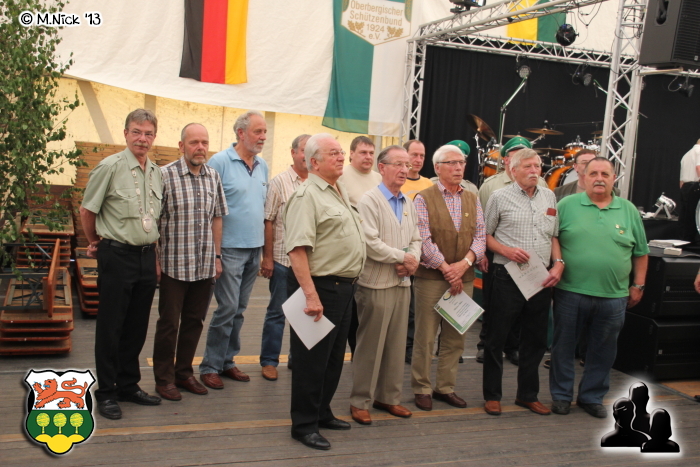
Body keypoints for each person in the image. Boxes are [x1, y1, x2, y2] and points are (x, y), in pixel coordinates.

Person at [283, 133, 365, 451]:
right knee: (311, 361)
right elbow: (297, 251)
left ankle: (321, 412)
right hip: (320, 288)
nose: (341, 156)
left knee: (332, 359)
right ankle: (304, 425)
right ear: (314, 162)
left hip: (343, 288)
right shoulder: (307, 196)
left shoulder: (337, 190)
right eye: (333, 153)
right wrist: (311, 296)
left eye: (341, 151)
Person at [549, 157, 649, 419]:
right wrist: (558, 262)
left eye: (605, 174)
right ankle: (561, 396)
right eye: (593, 173)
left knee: (603, 351)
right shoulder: (566, 205)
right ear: (583, 177)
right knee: (563, 347)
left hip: (614, 296)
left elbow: (640, 252)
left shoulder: (628, 210)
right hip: (570, 291)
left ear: (614, 178)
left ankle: (591, 397)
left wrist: (638, 284)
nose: (599, 178)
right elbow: (552, 237)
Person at [80, 109, 163, 419]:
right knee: (110, 327)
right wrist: (95, 242)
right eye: (137, 132)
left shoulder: (156, 172)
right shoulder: (109, 167)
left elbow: (153, 219)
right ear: (126, 133)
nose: (142, 138)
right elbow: (87, 210)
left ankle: (128, 385)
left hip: (145, 257)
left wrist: (155, 258)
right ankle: (106, 392)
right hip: (116, 256)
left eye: (148, 133)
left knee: (136, 327)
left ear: (154, 137)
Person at [483, 148, 563, 417]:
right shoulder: (499, 197)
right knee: (497, 337)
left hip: (540, 277)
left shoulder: (549, 196)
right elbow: (485, 236)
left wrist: (559, 263)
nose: (534, 171)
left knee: (536, 339)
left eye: (537, 166)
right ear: (513, 170)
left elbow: (553, 235)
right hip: (507, 275)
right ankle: (492, 395)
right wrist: (505, 250)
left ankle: (527, 395)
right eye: (527, 166)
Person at [152, 123, 227, 402]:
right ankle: (164, 379)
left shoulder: (213, 176)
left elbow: (217, 217)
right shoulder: (164, 175)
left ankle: (183, 373)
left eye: (204, 142)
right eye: (194, 142)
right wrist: (156, 259)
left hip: (203, 264)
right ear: (181, 146)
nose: (200, 148)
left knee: (194, 322)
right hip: (173, 265)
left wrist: (217, 256)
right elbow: (154, 220)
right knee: (169, 324)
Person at [349, 145, 422, 425]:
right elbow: (370, 243)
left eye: (407, 165)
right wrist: (403, 258)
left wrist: (413, 260)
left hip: (402, 283)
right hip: (375, 285)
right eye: (398, 164)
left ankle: (389, 397)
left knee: (395, 345)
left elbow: (416, 238)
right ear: (382, 168)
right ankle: (360, 401)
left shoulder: (408, 202)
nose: (405, 170)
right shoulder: (368, 201)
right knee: (370, 346)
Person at [411, 144, 486, 412]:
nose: (458, 168)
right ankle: (421, 388)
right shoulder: (423, 198)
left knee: (456, 337)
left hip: (463, 277)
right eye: (451, 163)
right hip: (431, 278)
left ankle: (445, 387)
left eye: (461, 163)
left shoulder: (473, 198)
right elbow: (423, 240)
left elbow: (480, 236)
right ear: (437, 168)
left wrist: (463, 265)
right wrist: (446, 268)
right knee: (426, 337)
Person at [199, 110, 269, 389]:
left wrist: (264, 253)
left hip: (254, 249)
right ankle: (210, 366)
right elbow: (208, 209)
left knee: (239, 309)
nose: (263, 137)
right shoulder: (220, 161)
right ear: (241, 133)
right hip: (228, 248)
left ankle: (227, 361)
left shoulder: (262, 165)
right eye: (258, 131)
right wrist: (214, 253)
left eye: (265, 132)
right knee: (227, 308)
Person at [475, 136, 547, 366]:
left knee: (525, 313)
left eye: (535, 164)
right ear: (508, 161)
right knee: (494, 307)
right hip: (500, 260)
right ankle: (485, 344)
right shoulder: (491, 187)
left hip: (533, 266)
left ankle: (513, 347)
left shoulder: (544, 189)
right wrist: (483, 254)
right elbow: (482, 227)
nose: (532, 169)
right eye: (519, 157)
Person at [259, 134, 310, 379]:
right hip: (282, 260)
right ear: (293, 152)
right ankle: (269, 361)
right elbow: (268, 221)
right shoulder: (279, 182)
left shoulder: (318, 183)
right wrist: (267, 258)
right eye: (303, 150)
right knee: (277, 313)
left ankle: (297, 359)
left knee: (303, 313)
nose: (307, 155)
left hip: (309, 263)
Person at [338, 135, 382, 357]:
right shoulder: (340, 176)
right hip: (348, 256)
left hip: (375, 256)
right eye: (363, 152)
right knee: (348, 313)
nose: (368, 157)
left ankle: (362, 357)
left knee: (367, 313)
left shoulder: (380, 178)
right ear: (351, 154)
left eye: (371, 153)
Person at [400, 139, 432, 364]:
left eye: (422, 155)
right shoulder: (397, 182)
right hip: (400, 251)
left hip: (422, 251)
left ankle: (410, 347)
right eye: (414, 155)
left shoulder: (429, 184)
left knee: (415, 307)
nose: (418, 160)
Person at [554, 149, 620, 202]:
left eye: (592, 162)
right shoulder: (560, 192)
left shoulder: (614, 192)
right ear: (575, 166)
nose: (588, 165)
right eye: (584, 162)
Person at [679, 139, 700, 244]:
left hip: (685, 187)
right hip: (695, 186)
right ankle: (694, 243)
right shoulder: (699, 151)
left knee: (685, 217)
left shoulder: (686, 155)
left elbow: (681, 180)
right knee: (694, 217)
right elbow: (698, 168)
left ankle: (684, 241)